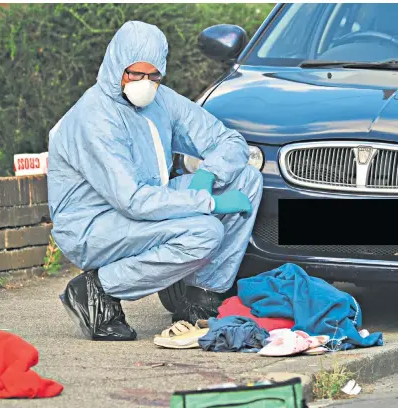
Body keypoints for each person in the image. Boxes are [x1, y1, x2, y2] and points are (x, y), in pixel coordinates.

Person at [47, 21, 263, 341]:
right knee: (204, 232)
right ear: (117, 67)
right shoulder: (94, 118)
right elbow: (133, 200)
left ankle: (200, 298)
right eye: (135, 73)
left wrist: (208, 175)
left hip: (146, 204)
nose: (145, 83)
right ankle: (97, 288)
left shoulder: (161, 101)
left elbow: (228, 141)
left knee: (245, 179)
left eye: (154, 75)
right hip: (93, 224)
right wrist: (208, 201)